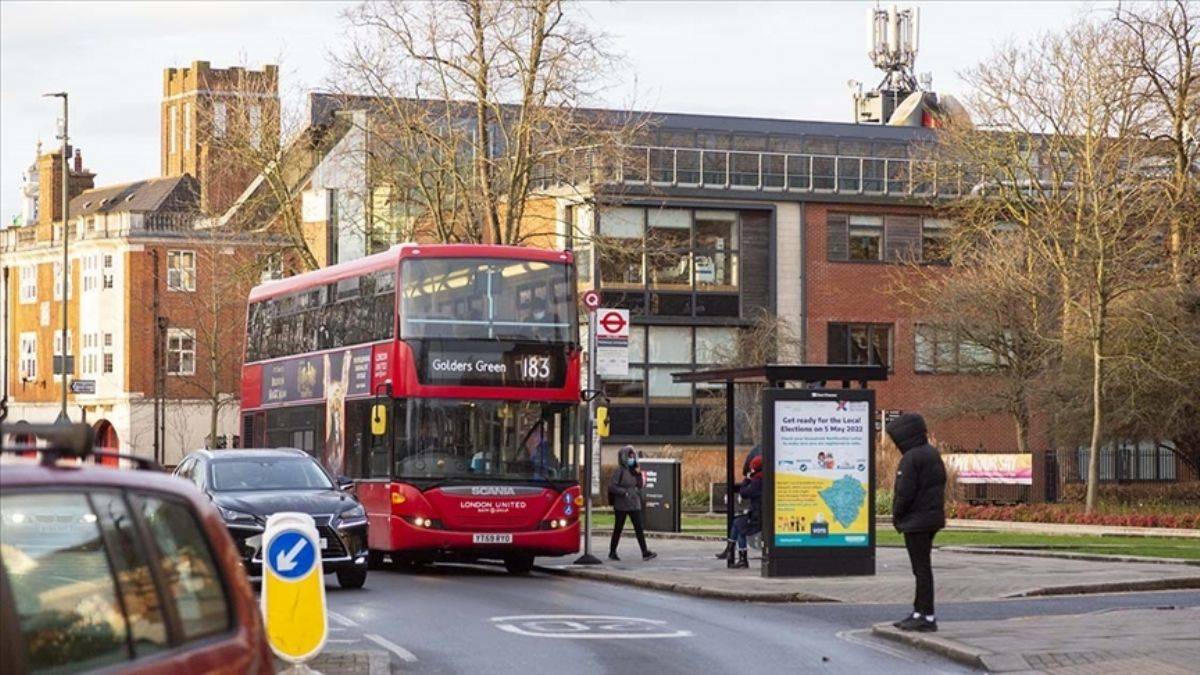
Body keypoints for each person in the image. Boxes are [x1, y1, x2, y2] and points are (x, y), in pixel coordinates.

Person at [886, 412, 947, 633]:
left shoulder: (911, 458)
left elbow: (905, 492)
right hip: (931, 519)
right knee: (922, 569)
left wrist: (897, 515)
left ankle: (925, 615)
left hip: (916, 521)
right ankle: (919, 612)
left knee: (920, 570)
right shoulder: (932, 453)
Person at [608, 446, 657, 561]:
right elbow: (612, 486)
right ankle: (612, 551)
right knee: (618, 528)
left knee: (639, 527)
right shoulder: (620, 471)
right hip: (622, 504)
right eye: (630, 457)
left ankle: (644, 552)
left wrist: (638, 474)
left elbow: (640, 485)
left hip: (634, 502)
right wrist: (623, 492)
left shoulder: (635, 469)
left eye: (633, 456)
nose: (632, 459)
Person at [717, 445, 762, 560]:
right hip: (758, 514)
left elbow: (744, 493)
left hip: (758, 517)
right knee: (737, 523)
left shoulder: (757, 481)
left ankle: (740, 556)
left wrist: (747, 479)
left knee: (739, 525)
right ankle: (731, 550)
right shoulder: (761, 479)